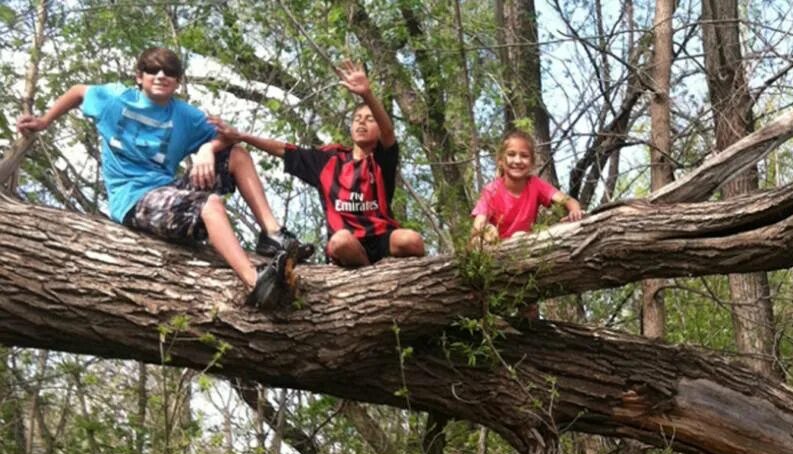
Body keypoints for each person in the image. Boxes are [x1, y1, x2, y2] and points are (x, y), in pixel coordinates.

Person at [15, 47, 304, 310]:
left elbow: (228, 135)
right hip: (134, 201)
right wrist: (44, 121)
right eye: (153, 70)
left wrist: (206, 148)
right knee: (211, 205)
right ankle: (255, 283)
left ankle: (272, 234)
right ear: (139, 77)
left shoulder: (184, 114)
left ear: (178, 81)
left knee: (237, 155)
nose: (161, 75)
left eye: (170, 71)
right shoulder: (114, 100)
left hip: (168, 191)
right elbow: (79, 91)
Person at [214, 60, 424, 267]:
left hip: (381, 238)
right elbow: (284, 150)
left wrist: (366, 94)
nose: (362, 122)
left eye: (370, 119)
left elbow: (388, 132)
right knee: (342, 241)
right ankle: (368, 276)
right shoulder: (330, 160)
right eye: (357, 118)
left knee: (411, 240)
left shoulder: (381, 161)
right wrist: (241, 136)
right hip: (345, 243)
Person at [470, 128, 583, 246]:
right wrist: (484, 233)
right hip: (499, 250)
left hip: (526, 248)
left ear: (532, 163)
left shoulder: (535, 184)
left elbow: (568, 200)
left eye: (524, 156)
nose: (518, 160)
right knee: (484, 234)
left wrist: (574, 211)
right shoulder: (491, 190)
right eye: (511, 154)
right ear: (500, 161)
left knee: (521, 236)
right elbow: (478, 225)